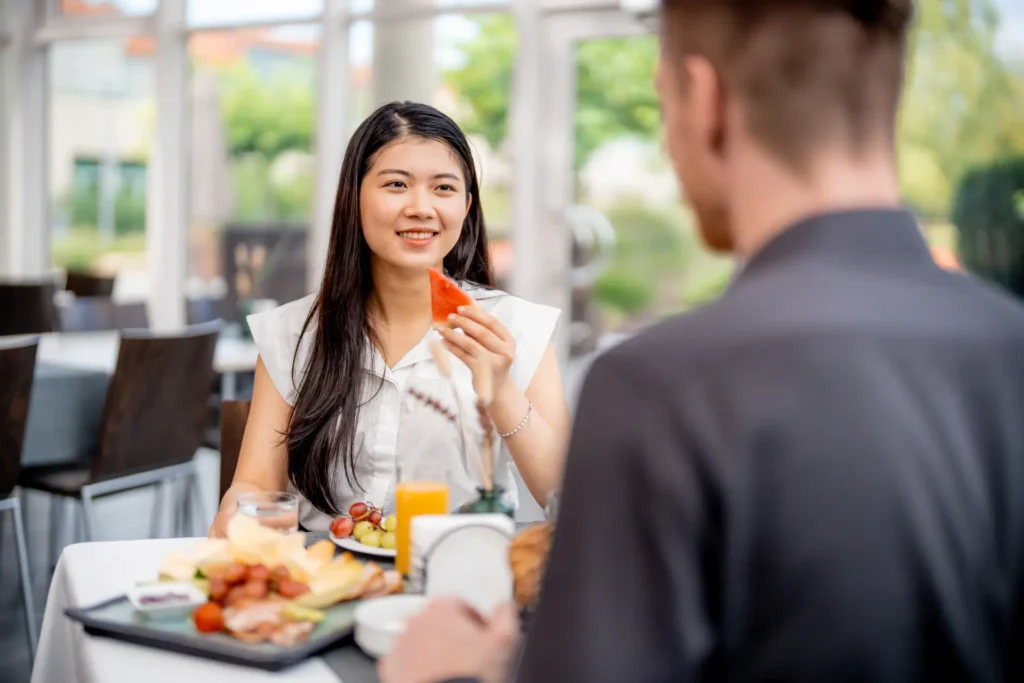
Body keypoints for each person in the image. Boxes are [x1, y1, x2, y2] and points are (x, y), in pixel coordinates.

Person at [380, 0, 1024, 681]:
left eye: (664, 104)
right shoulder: (1010, 348)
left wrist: (452, 672)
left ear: (705, 100)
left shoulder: (655, 389)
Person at [210, 102, 571, 536]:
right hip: (328, 571)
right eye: (397, 184)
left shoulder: (516, 327)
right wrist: (237, 514)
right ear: (353, 198)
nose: (421, 207)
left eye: (443, 188)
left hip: (461, 569)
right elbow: (255, 486)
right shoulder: (292, 332)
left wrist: (501, 392)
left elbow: (567, 495)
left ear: (466, 206)